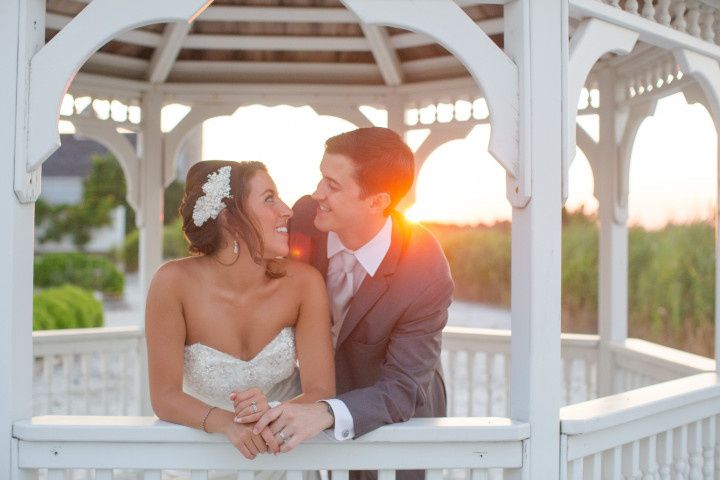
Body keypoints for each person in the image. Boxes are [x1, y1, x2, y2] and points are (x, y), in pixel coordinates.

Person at [236, 128, 453, 479]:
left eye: (332, 186)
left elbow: (400, 388)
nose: (316, 193)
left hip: (394, 408)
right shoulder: (305, 217)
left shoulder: (424, 267)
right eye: (321, 177)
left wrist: (325, 411)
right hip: (310, 398)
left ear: (377, 201)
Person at [145, 160, 335, 463]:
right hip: (200, 461)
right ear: (230, 219)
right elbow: (165, 396)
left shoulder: (304, 284)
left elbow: (322, 389)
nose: (287, 210)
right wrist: (225, 423)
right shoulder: (172, 284)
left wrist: (270, 412)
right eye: (269, 198)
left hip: (286, 458)